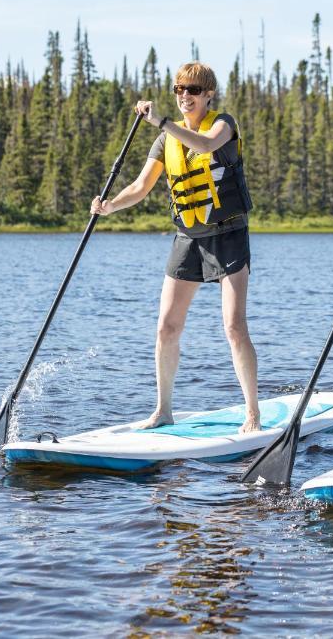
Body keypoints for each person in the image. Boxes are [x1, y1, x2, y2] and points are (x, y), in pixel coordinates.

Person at [90, 62, 261, 432]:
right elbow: (139, 186)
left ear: (209, 94)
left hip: (228, 233)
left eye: (193, 90)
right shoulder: (165, 138)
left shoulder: (223, 123)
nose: (186, 96)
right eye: (179, 90)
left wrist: (163, 122)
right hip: (188, 237)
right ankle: (163, 410)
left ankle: (252, 413)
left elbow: (207, 144)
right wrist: (110, 205)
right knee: (166, 327)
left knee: (233, 325)